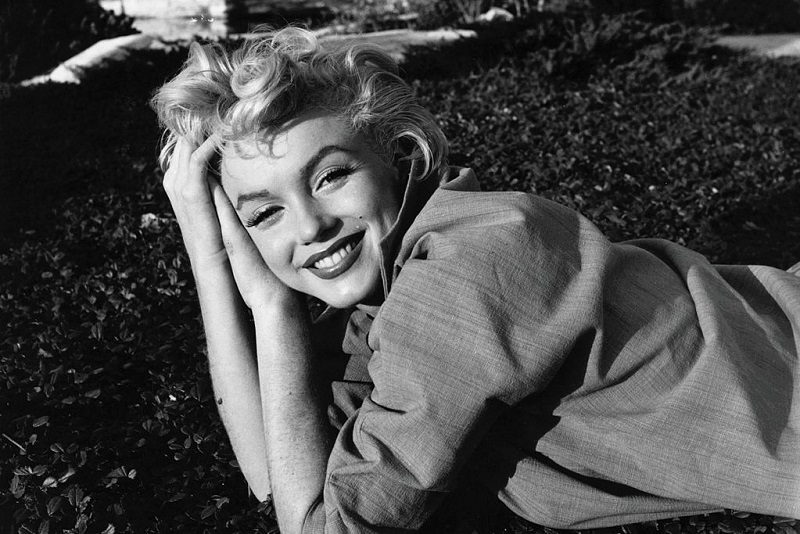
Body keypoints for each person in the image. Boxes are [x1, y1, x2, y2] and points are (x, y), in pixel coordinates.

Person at [151, 26, 800, 534]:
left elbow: (321, 525)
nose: (311, 225)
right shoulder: (380, 315)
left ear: (397, 156)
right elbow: (275, 477)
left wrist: (271, 303)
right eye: (265, 213)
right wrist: (237, 276)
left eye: (331, 175)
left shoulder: (469, 266)